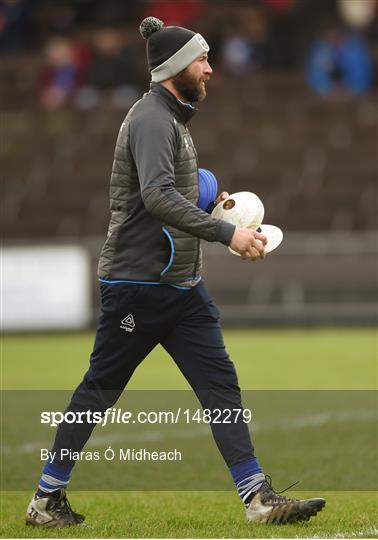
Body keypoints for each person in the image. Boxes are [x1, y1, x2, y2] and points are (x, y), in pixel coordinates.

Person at [26, 16, 325, 528]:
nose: (210, 69)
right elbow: (156, 197)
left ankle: (257, 498)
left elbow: (175, 192)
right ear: (176, 69)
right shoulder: (150, 119)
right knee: (99, 390)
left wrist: (215, 199)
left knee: (220, 387)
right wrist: (226, 233)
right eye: (203, 60)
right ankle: (45, 499)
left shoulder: (174, 121)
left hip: (182, 288)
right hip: (136, 287)